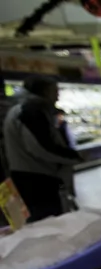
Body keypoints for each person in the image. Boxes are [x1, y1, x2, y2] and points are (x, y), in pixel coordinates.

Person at [2, 76, 82, 221]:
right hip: (37, 179)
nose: (58, 95)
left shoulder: (24, 109)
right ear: (45, 91)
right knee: (49, 223)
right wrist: (73, 156)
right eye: (55, 90)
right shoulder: (31, 111)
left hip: (29, 176)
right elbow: (41, 147)